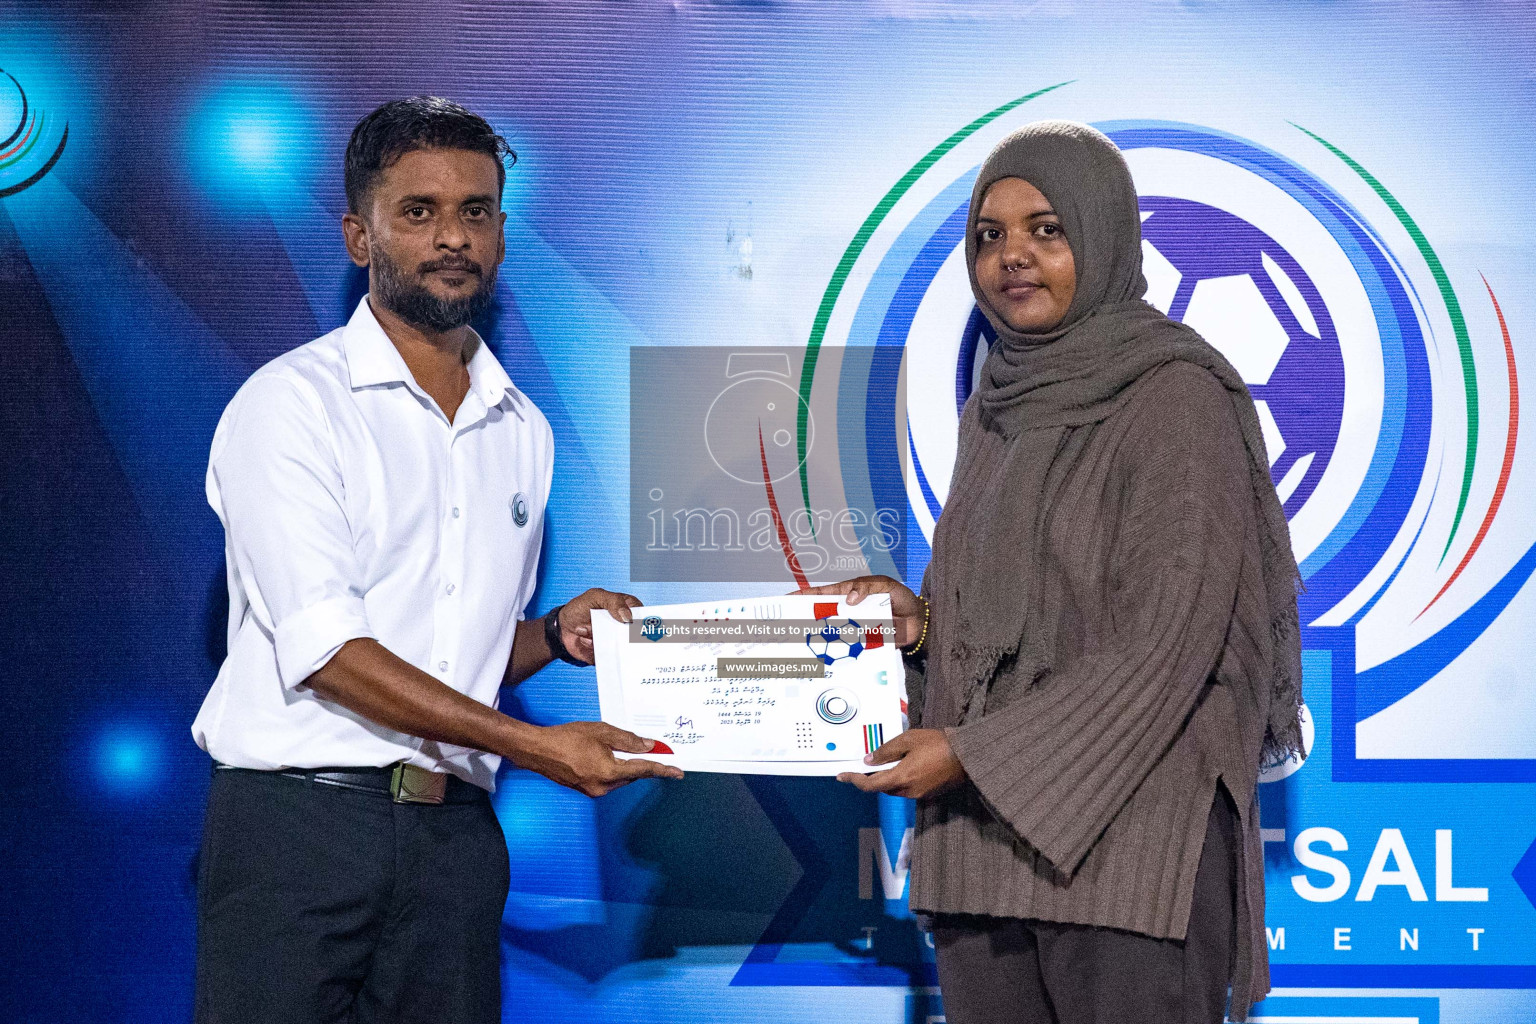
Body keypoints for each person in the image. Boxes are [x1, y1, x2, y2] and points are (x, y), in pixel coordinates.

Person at [190, 96, 682, 1024]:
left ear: (500, 232)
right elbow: (330, 652)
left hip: (455, 843)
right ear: (358, 236)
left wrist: (553, 636)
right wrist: (537, 747)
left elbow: (463, 655)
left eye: (475, 211)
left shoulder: (522, 428)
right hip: (300, 831)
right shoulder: (291, 405)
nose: (451, 237)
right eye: (417, 212)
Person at [803, 121, 1302, 1023]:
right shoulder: (998, 404)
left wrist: (967, 754)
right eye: (989, 235)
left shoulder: (1175, 395)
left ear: (1104, 235)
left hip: (1131, 862)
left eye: (1047, 229)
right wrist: (919, 631)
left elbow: (1164, 649)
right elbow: (1021, 621)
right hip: (982, 861)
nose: (1012, 258)